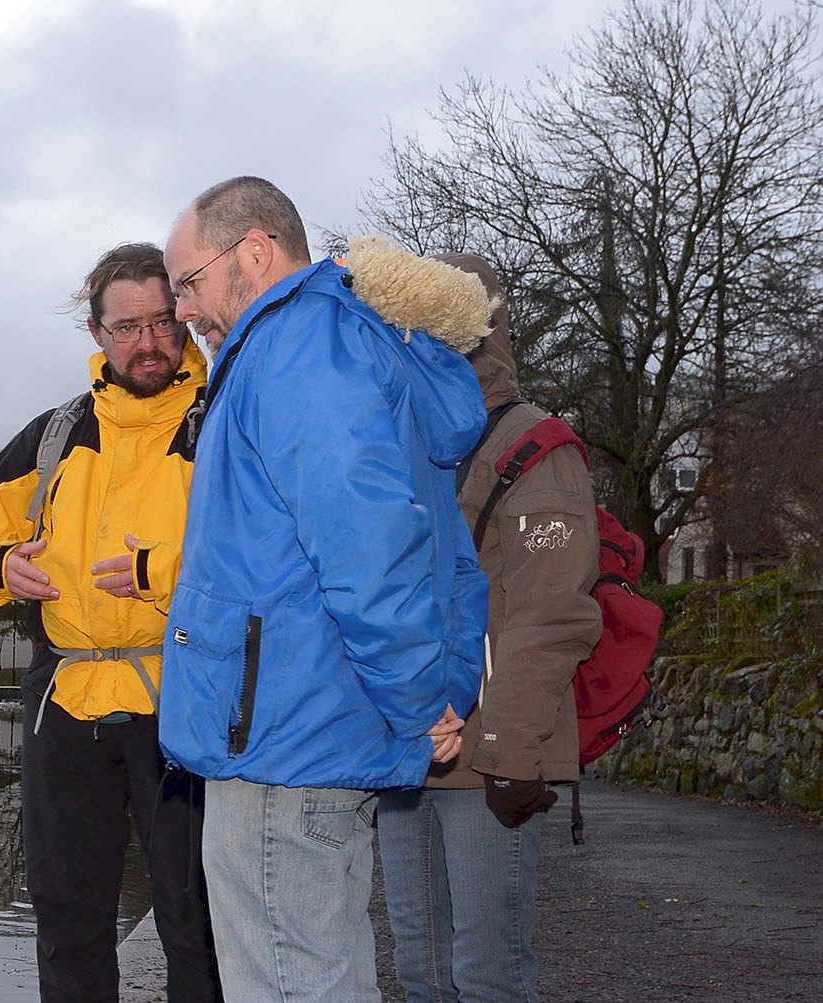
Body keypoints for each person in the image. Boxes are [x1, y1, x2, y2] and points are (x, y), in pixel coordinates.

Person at [156, 176, 490, 1001]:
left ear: (256, 251)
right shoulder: (343, 343)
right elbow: (443, 548)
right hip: (309, 735)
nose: (184, 312)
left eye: (189, 284)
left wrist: (421, 700)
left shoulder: (298, 348)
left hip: (281, 746)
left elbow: (371, 545)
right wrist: (431, 688)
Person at [0, 242, 221, 1002]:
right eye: (126, 326)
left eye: (163, 322)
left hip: (185, 699)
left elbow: (270, 559)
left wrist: (165, 574)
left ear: (185, 317)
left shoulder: (220, 421)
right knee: (67, 915)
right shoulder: (53, 437)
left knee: (199, 919)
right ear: (95, 331)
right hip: (63, 703)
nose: (149, 342)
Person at [375, 253, 601, 1003]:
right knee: (420, 971)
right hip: (410, 752)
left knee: (486, 975)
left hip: (488, 755)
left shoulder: (535, 445)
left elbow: (552, 616)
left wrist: (508, 751)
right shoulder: (407, 442)